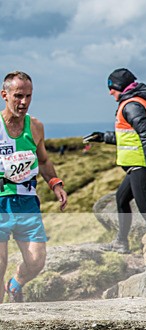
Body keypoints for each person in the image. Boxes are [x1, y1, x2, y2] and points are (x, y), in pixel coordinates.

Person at [0, 71, 68, 302]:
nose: (24, 102)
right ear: (4, 95)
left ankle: (15, 284)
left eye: (28, 96)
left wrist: (55, 183)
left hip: (27, 201)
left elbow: (44, 160)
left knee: (36, 261)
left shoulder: (36, 126)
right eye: (18, 96)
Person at [83, 68, 146, 253]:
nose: (110, 92)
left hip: (141, 165)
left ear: (120, 86)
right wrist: (103, 137)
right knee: (121, 199)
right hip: (136, 166)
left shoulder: (131, 105)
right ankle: (121, 242)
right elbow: (127, 137)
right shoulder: (130, 104)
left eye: (111, 87)